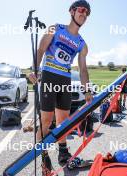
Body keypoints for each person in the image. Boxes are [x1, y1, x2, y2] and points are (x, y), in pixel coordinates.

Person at [30, 0, 93, 174]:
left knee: (63, 122)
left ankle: (63, 153)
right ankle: (43, 156)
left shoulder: (82, 43)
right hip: (49, 76)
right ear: (72, 11)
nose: (84, 14)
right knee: (46, 121)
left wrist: (87, 90)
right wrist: (34, 70)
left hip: (65, 81)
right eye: (81, 10)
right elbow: (41, 49)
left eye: (87, 13)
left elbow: (82, 69)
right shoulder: (55, 28)